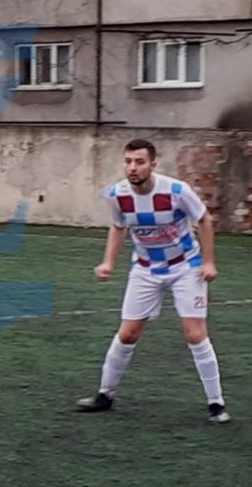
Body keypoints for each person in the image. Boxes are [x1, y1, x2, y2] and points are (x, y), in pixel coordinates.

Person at [77, 138, 228, 424]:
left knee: (195, 334)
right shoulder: (117, 195)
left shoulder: (176, 191)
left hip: (186, 266)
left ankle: (216, 403)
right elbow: (118, 226)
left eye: (140, 162)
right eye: (128, 162)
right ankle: (105, 395)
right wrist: (108, 262)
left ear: (152, 165)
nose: (133, 168)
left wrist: (208, 262)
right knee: (127, 334)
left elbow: (204, 220)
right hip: (145, 269)